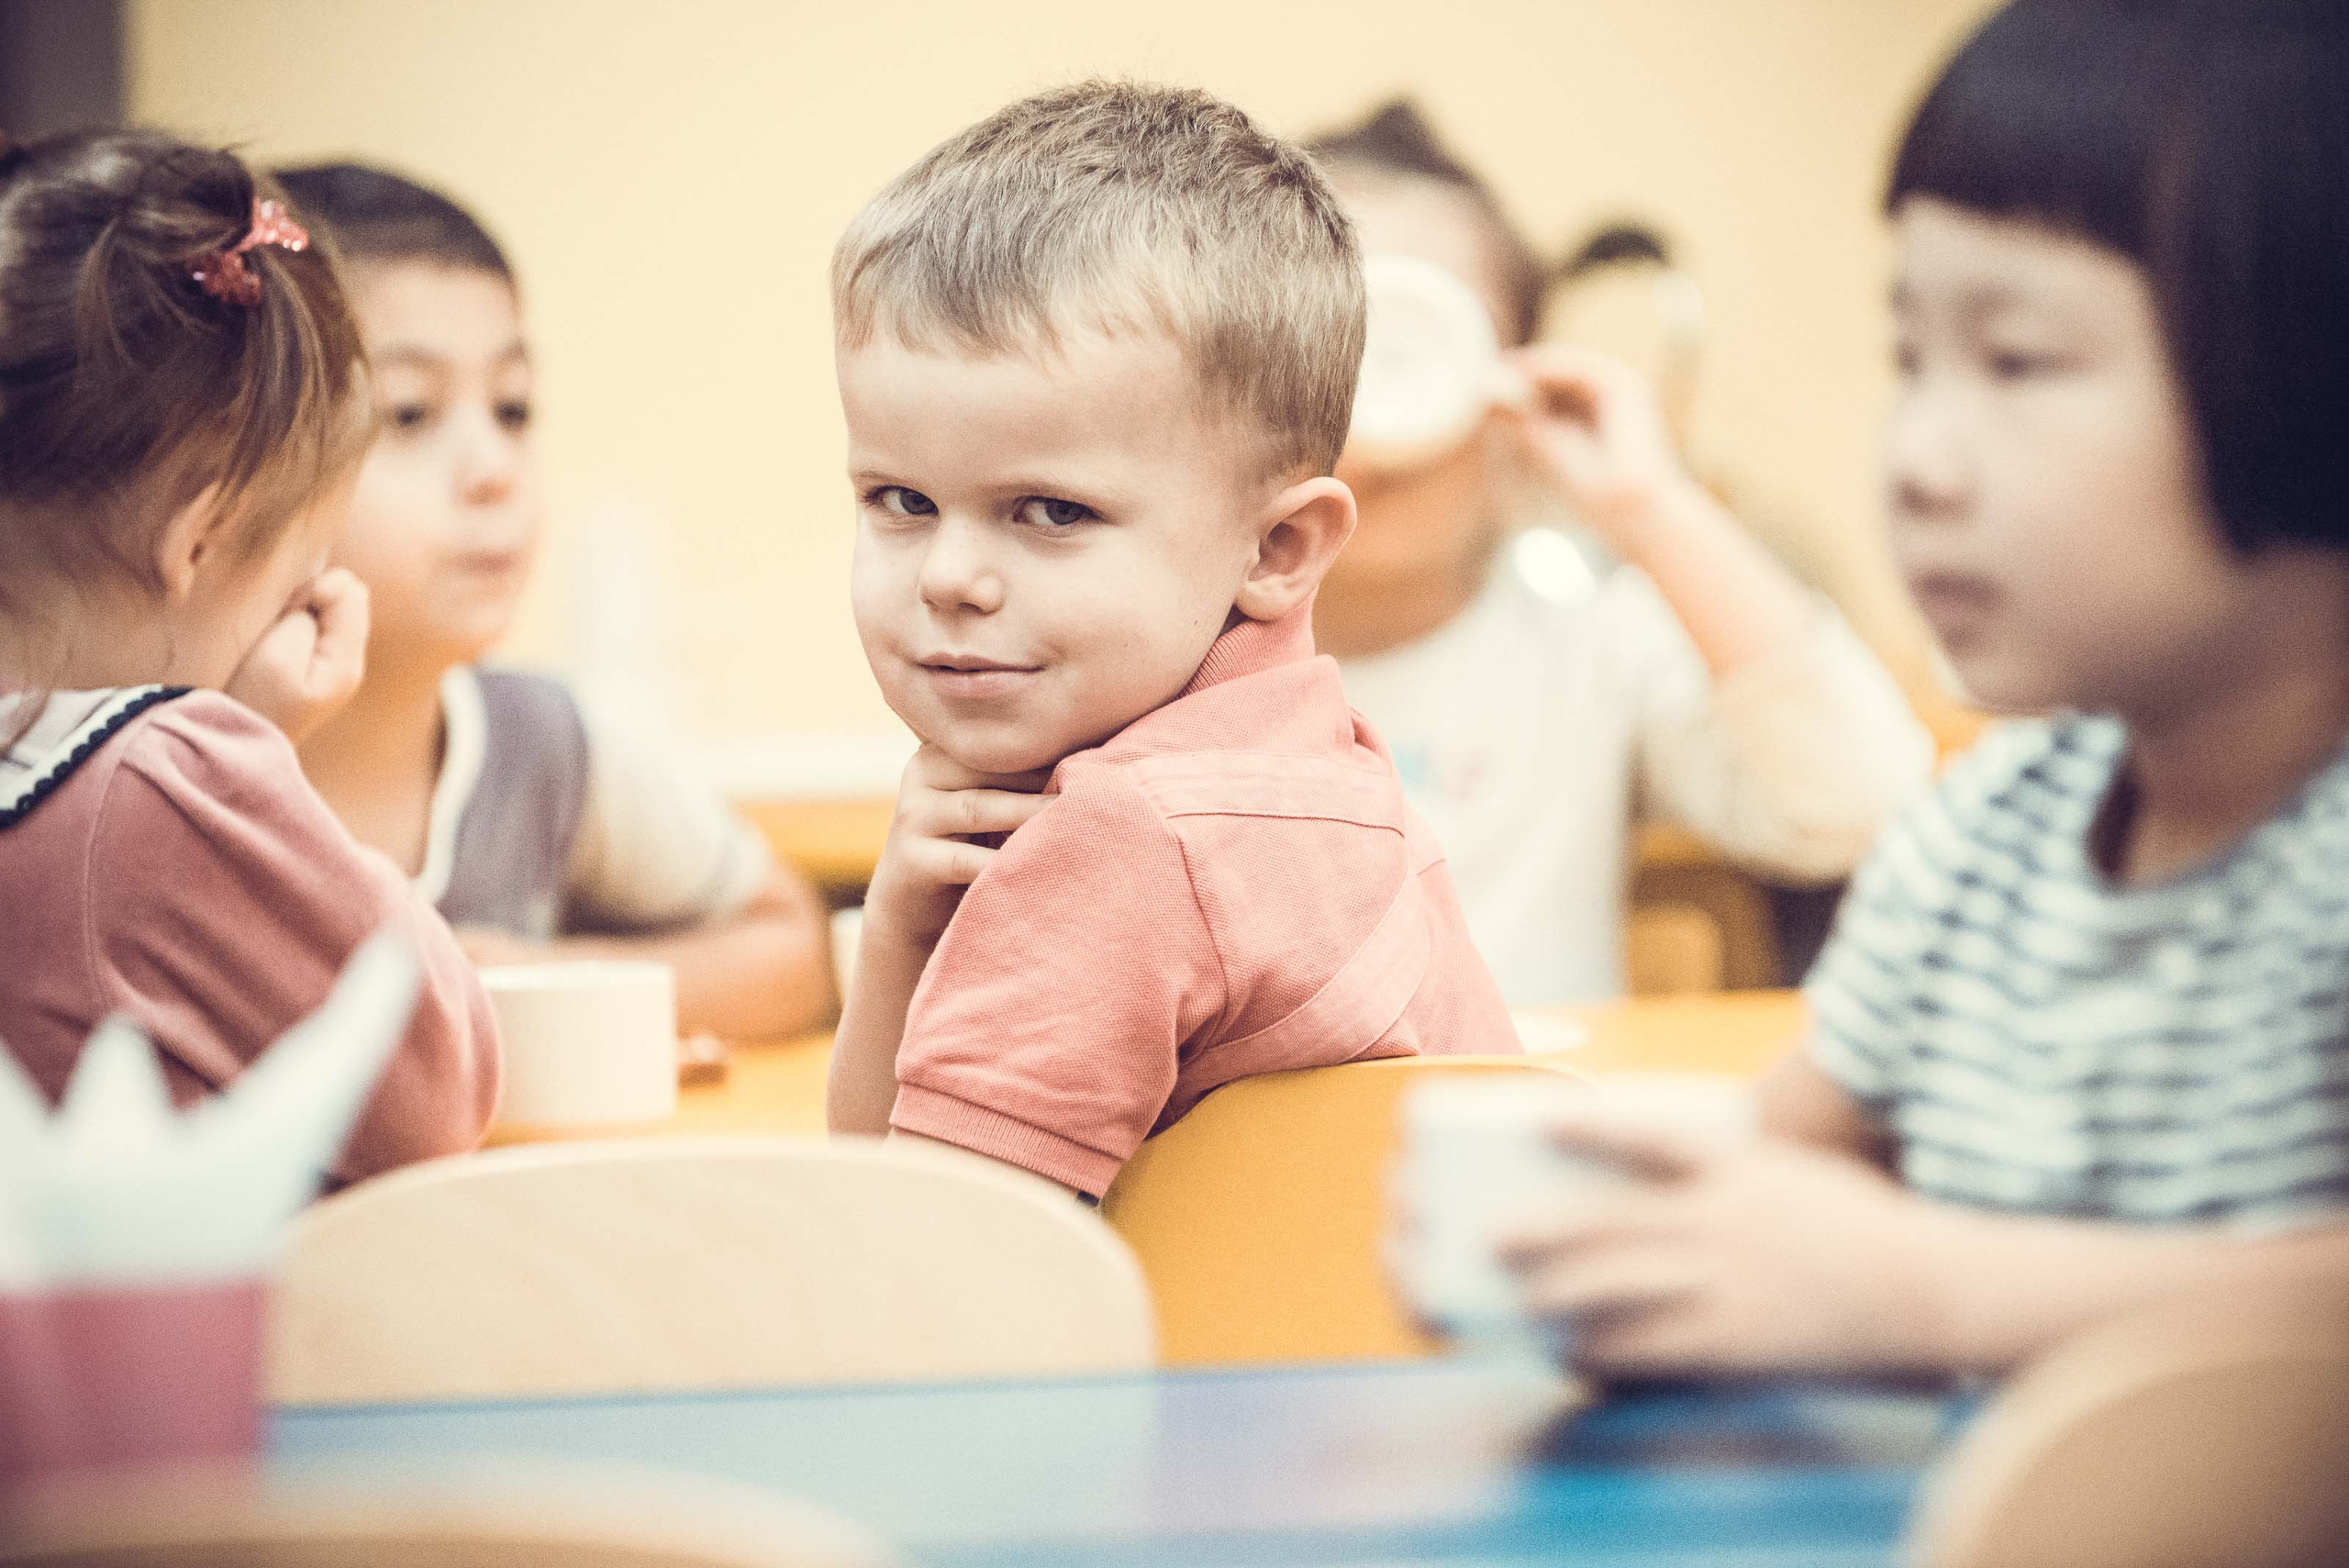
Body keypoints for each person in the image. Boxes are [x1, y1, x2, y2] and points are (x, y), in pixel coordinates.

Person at [1489, 0, 2349, 1377]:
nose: (1918, 463)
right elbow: (1765, 1158)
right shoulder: (1986, 836)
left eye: (2016, 361)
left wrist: (1934, 1290)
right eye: (1911, 359)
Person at [824, 81, 1519, 1199]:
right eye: (899, 499)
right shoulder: (1315, 764)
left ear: (1279, 546)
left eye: (1050, 511)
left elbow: (919, 1266)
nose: (948, 576)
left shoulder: (1122, 843)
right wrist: (904, 937)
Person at [1306, 102, 1933, 1004]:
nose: (1383, 394)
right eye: (1336, 334)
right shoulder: (1162, 649)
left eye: (1427, 332)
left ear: (1512, 377)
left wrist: (1649, 504)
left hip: (1516, 1130)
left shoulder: (1584, 631)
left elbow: (1859, 804)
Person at [0, 130, 496, 1181]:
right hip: (176, 1345)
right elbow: (435, 1085)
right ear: (200, 540)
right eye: (298, 571)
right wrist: (262, 754)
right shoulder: (167, 775)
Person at [273, 163, 833, 1041]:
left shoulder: (541, 742)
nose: (495, 469)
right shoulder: (176, 768)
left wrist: (547, 980)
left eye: (512, 407)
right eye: (411, 414)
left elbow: (792, 949)